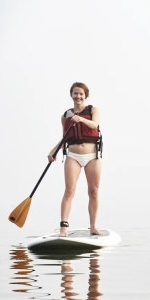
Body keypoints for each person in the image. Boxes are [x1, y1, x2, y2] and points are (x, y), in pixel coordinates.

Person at [48, 82, 102, 237]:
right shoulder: (65, 116)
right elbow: (65, 137)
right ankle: (63, 229)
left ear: (85, 96)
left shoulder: (93, 110)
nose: (78, 96)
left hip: (92, 156)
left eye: (81, 94)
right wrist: (54, 150)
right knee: (69, 190)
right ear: (71, 95)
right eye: (75, 93)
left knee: (93, 191)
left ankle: (93, 227)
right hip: (73, 155)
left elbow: (94, 124)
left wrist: (81, 120)